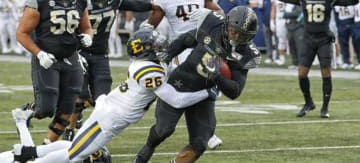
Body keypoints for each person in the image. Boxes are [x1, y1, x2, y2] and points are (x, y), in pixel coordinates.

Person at [6, 29, 215, 163]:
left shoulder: (146, 64)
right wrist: (207, 91)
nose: (161, 47)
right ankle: (30, 158)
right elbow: (175, 99)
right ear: (146, 51)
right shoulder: (149, 71)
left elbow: (172, 57)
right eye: (156, 45)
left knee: (75, 148)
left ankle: (28, 153)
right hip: (110, 119)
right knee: (74, 156)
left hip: (110, 110)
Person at [134, 6, 261, 163]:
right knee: (163, 130)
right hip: (180, 83)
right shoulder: (212, 24)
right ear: (227, 24)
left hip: (204, 94)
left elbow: (235, 91)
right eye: (234, 31)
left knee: (200, 143)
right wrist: (168, 55)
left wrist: (216, 76)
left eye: (242, 36)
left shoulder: (247, 53)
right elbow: (187, 39)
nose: (235, 37)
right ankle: (144, 153)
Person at [62, 0, 155, 141]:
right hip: (80, 53)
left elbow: (130, 4)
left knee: (102, 99)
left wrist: (152, 6)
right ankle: (70, 130)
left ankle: (91, 131)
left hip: (101, 54)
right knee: (79, 95)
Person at [144, 0, 224, 149]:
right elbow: (151, 23)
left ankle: (206, 132)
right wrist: (144, 35)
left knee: (204, 89)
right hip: (181, 47)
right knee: (191, 89)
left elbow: (218, 12)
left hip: (203, 45)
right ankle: (206, 134)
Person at [16, 0, 94, 144]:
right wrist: (39, 53)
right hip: (47, 59)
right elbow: (21, 33)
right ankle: (25, 112)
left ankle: (46, 145)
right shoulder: (39, 0)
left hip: (71, 58)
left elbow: (87, 27)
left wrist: (88, 36)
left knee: (67, 109)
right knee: (46, 109)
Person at [274, 0, 359, 118]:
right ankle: (308, 102)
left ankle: (325, 108)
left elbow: (353, 0)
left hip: (324, 39)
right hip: (308, 38)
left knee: (326, 73)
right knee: (302, 74)